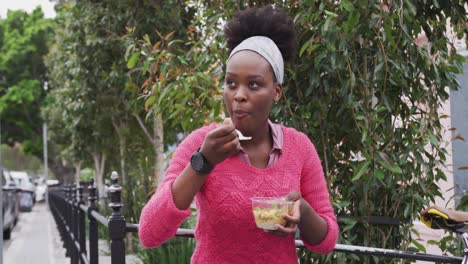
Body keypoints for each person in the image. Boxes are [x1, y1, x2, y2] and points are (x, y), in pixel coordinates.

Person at [138, 5, 339, 263]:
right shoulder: (202, 144)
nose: (239, 94)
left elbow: (327, 241)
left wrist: (302, 212)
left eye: (253, 84)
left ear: (276, 91)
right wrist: (203, 163)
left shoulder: (299, 147)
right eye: (231, 83)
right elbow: (149, 233)